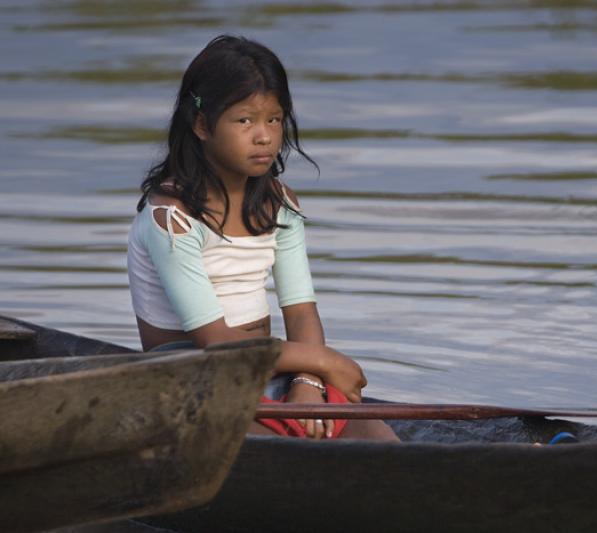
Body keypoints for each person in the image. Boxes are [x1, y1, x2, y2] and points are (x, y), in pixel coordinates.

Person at [127, 35, 397, 441]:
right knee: (284, 449)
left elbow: (301, 312)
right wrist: (324, 360)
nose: (265, 136)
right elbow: (215, 342)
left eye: (274, 119)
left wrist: (309, 379)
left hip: (274, 370)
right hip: (193, 377)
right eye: (245, 120)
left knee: (379, 441)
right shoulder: (171, 219)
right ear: (202, 125)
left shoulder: (280, 205)